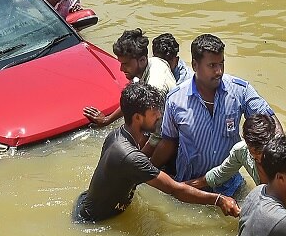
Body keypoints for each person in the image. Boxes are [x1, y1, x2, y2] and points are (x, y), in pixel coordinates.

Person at [74, 82, 240, 223]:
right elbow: (176, 190)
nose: (160, 115)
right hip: (96, 221)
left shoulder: (117, 135)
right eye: (154, 113)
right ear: (138, 117)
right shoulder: (131, 157)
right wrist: (219, 199)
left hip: (88, 205)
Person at [150, 34, 278, 197]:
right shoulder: (175, 100)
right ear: (195, 65)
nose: (219, 71)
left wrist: (280, 159)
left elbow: (270, 121)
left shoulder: (240, 91)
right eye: (212, 65)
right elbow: (169, 142)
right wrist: (148, 172)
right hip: (191, 188)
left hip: (231, 186)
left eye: (221, 64)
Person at [188, 114, 286, 222]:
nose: (260, 157)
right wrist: (185, 186)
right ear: (246, 142)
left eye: (263, 150)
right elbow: (220, 174)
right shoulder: (241, 151)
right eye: (255, 151)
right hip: (266, 214)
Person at [83, 28, 178, 129]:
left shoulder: (155, 88)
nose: (121, 68)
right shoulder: (154, 61)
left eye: (126, 64)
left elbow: (156, 133)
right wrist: (107, 120)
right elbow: (132, 103)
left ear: (142, 60)